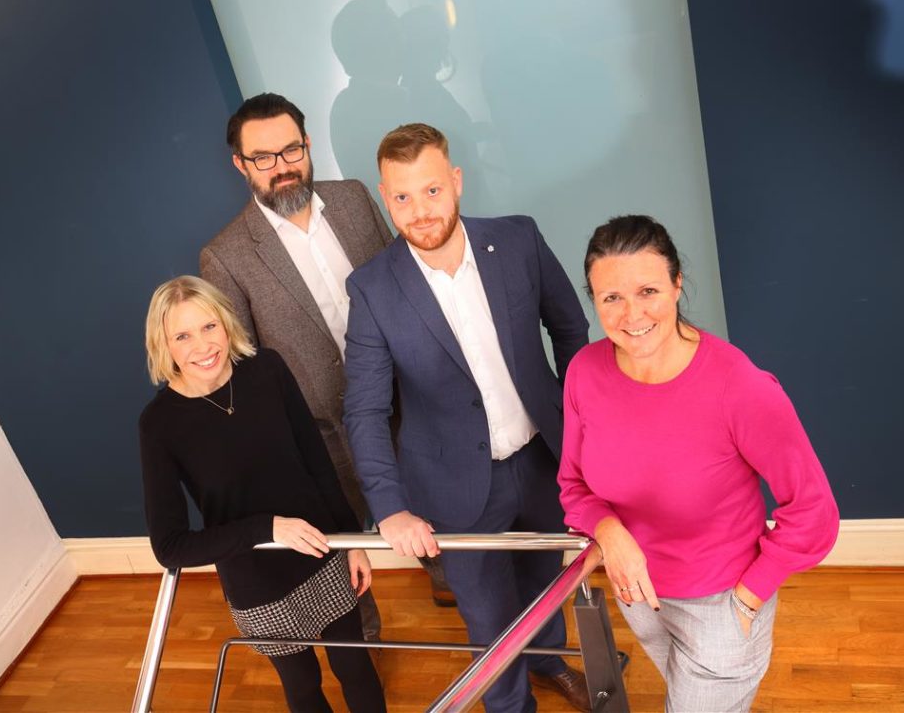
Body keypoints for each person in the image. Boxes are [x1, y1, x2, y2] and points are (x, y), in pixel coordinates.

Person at [343, 123, 592, 713]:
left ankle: (550, 662)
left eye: (431, 191)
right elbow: (366, 408)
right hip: (452, 484)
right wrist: (390, 506)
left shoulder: (519, 240)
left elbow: (571, 330)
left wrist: (584, 430)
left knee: (545, 585)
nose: (419, 211)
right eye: (401, 197)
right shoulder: (373, 289)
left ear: (456, 182)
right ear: (384, 197)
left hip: (541, 460)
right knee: (486, 615)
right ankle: (509, 705)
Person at [557, 216, 840, 712]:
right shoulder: (584, 372)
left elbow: (815, 513)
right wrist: (610, 531)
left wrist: (749, 597)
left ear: (677, 284)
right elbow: (573, 485)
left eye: (647, 290)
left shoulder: (740, 386)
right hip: (638, 597)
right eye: (611, 298)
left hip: (720, 606)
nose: (631, 314)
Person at [200, 93, 455, 624]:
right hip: (320, 434)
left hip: (404, 402)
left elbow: (405, 281)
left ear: (307, 144)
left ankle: (453, 587)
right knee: (341, 554)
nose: (282, 167)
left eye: (291, 150)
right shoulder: (225, 256)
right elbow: (247, 371)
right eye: (263, 158)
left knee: (438, 516)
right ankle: (366, 639)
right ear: (240, 165)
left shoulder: (356, 198)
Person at [139, 276, 385, 713]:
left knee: (355, 667)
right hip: (258, 584)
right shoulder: (159, 425)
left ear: (226, 323)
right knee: (304, 686)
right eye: (182, 335)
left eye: (209, 326)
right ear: (164, 346)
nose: (202, 346)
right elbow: (170, 547)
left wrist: (353, 542)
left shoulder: (267, 369)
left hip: (322, 555)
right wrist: (267, 527)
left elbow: (317, 460)